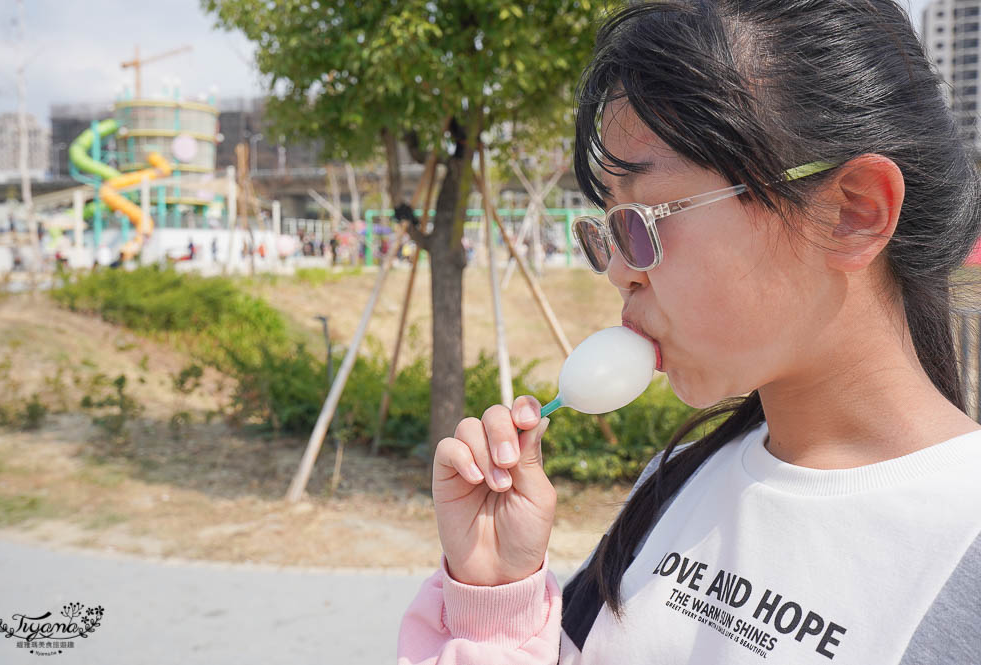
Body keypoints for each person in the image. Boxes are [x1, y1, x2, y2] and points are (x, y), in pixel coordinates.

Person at [397, 2, 981, 664]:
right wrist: (497, 598)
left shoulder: (964, 555)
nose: (618, 270)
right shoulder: (676, 483)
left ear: (852, 212)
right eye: (608, 224)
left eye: (642, 217)